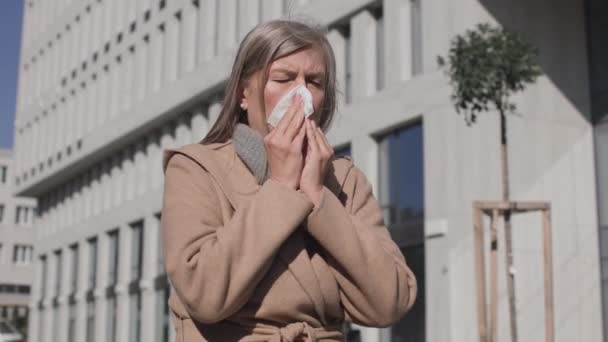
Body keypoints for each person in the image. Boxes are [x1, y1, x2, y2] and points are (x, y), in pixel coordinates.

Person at [161, 19, 417, 342]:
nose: (301, 95)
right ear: (244, 93)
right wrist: (281, 189)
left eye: (314, 82)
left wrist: (319, 198)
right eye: (283, 78)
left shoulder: (345, 179)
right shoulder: (196, 168)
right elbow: (203, 292)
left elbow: (391, 302)